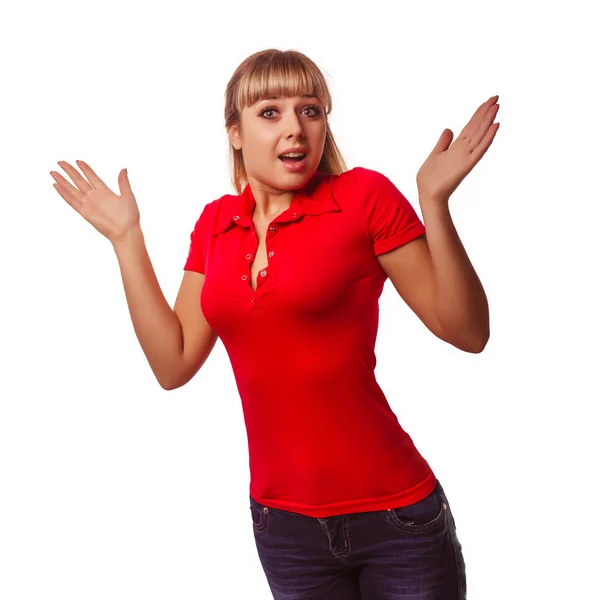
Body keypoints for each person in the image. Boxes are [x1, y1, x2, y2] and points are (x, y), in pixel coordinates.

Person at [51, 48, 498, 600]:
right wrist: (127, 241)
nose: (296, 128)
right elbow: (174, 363)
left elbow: (467, 332)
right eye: (270, 112)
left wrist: (435, 201)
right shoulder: (216, 223)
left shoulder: (363, 198)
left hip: (396, 519)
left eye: (310, 110)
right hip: (283, 528)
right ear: (234, 131)